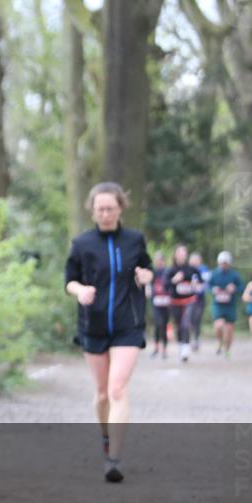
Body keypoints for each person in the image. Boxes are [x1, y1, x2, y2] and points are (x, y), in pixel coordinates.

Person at [65, 182, 153, 483]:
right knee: (102, 393)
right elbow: (69, 281)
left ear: (120, 208)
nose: (105, 214)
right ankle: (105, 437)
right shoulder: (82, 244)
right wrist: (80, 291)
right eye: (100, 209)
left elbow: (147, 268)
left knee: (117, 388)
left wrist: (145, 275)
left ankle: (113, 458)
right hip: (95, 324)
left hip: (128, 323)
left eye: (110, 208)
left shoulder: (134, 240)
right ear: (92, 210)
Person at [166, 245, 201, 362]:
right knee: (178, 325)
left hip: (189, 301)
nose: (181, 255)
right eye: (179, 253)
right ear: (175, 255)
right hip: (175, 302)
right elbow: (165, 286)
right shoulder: (171, 270)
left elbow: (201, 282)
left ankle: (186, 347)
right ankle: (181, 344)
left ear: (186, 255)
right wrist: (174, 280)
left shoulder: (191, 269)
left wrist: (196, 284)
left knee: (185, 323)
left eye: (183, 253)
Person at [208, 251, 241, 358]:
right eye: (222, 263)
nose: (224, 265)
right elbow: (207, 286)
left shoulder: (234, 274)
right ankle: (219, 342)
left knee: (229, 328)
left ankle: (228, 350)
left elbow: (241, 286)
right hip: (218, 304)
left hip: (230, 305)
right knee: (218, 326)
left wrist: (234, 288)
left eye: (226, 263)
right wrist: (213, 289)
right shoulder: (214, 274)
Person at [148, 251, 171, 359]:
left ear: (163, 261)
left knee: (164, 325)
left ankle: (164, 349)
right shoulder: (153, 272)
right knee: (158, 324)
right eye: (157, 260)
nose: (159, 262)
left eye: (160, 260)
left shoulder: (167, 271)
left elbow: (170, 285)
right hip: (156, 303)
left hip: (166, 303)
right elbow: (149, 285)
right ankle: (156, 347)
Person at [188, 252, 210, 352]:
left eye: (197, 260)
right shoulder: (187, 270)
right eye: (193, 260)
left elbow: (206, 283)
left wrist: (198, 285)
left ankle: (196, 339)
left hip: (199, 299)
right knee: (190, 320)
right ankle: (189, 339)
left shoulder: (203, 269)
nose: (195, 262)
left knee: (197, 319)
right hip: (188, 299)